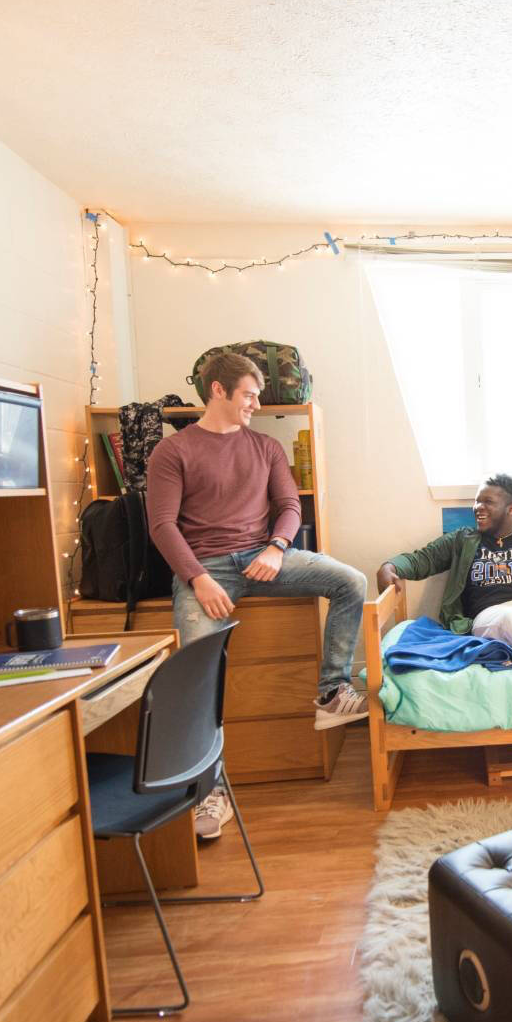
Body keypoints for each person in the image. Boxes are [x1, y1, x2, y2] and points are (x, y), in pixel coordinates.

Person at [148, 348, 368, 839]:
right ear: (218, 391)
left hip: (263, 557)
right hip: (204, 569)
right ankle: (210, 794)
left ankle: (333, 692)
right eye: (247, 395)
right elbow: (161, 526)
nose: (253, 404)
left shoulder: (266, 447)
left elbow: (290, 506)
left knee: (350, 581)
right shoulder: (174, 451)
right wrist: (197, 579)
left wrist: (275, 547)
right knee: (198, 677)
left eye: (257, 396)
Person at [376, 473, 512, 706]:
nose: (478, 507)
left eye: (487, 502)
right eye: (477, 501)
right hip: (491, 615)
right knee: (511, 617)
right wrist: (390, 567)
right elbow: (422, 560)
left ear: (511, 509)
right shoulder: (462, 540)